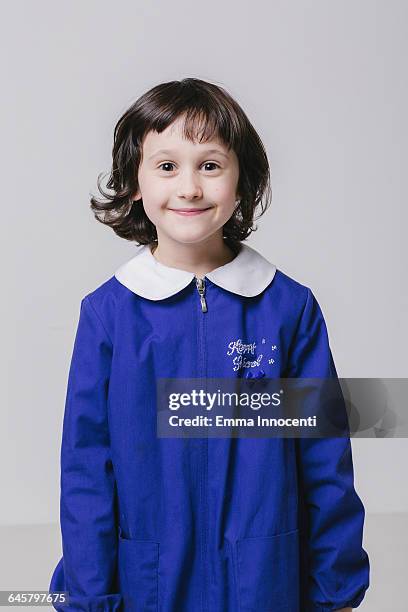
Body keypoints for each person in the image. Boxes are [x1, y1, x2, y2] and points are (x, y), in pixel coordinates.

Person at [49, 78, 370, 611]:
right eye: (167, 166)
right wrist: (89, 595)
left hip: (265, 583)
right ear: (134, 184)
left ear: (243, 180)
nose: (190, 188)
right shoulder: (107, 315)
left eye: (211, 165)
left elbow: (325, 457)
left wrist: (336, 585)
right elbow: (86, 466)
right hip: (150, 585)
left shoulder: (289, 309)